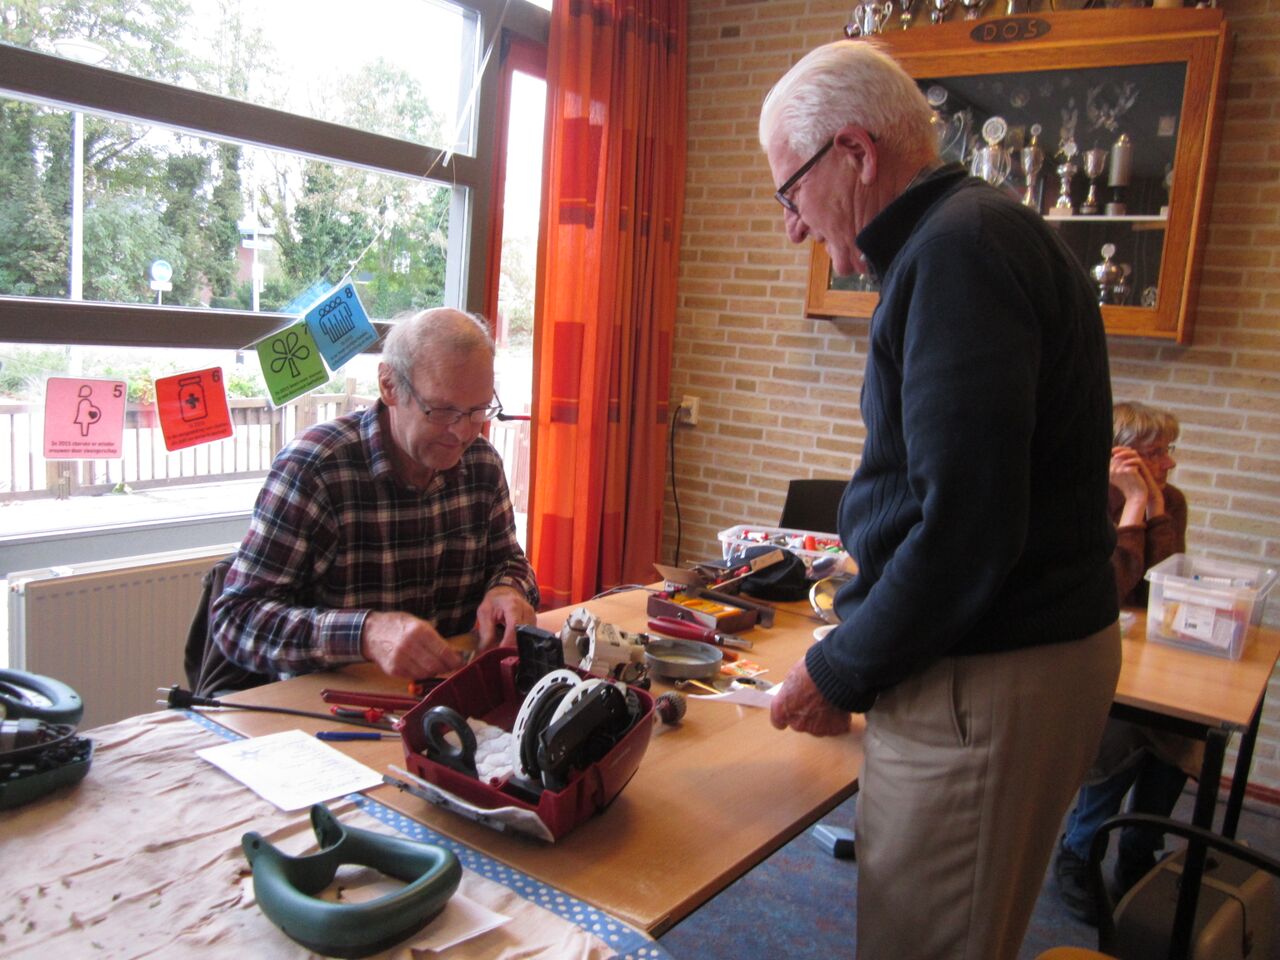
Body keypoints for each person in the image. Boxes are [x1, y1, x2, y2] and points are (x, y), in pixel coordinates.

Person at [758, 41, 1121, 960]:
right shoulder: (974, 232)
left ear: (855, 151)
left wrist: (841, 669)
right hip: (1003, 663)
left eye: (790, 192)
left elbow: (966, 526)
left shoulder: (957, 252)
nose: (793, 228)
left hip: (985, 676)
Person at [211, 307, 539, 683]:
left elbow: (509, 562)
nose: (463, 432)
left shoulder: (481, 464)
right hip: (332, 699)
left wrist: (508, 589)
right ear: (389, 385)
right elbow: (237, 619)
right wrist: (364, 634)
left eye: (477, 410)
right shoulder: (316, 468)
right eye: (442, 410)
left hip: (447, 693)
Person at [1054, 401, 1190, 923]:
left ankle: (1139, 848)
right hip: (1082, 648)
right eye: (1155, 453)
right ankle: (1080, 847)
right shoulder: (1077, 499)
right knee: (1127, 726)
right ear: (1119, 457)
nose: (1169, 463)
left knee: (1180, 727)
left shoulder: (1169, 500)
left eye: (1168, 450)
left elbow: (1164, 590)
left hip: (1144, 649)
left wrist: (1153, 506)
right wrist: (1133, 506)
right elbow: (1110, 590)